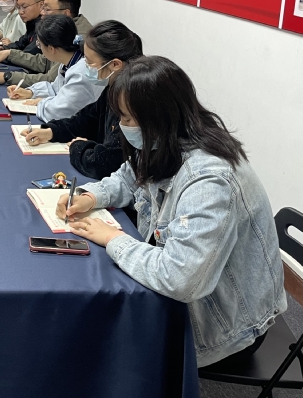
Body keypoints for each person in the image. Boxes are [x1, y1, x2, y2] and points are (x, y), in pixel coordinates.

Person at [56, 56, 286, 367]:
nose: (122, 127)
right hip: (196, 293)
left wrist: (113, 238)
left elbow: (181, 279)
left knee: (93, 338)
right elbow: (128, 177)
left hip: (223, 326)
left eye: (127, 119)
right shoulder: (166, 140)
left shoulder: (209, 180)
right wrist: (90, 196)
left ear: (158, 116)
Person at [22, 20, 143, 180]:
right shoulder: (113, 87)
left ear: (115, 64)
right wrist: (52, 131)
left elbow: (105, 164)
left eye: (89, 62)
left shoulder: (132, 101)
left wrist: (79, 146)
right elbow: (86, 119)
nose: (85, 67)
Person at [0, 0, 92, 85]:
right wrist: (10, 54)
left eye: (47, 9)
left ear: (65, 13)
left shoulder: (77, 38)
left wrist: (8, 76)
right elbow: (44, 62)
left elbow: (52, 80)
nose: (42, 13)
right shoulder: (65, 29)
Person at [7, 14, 103, 122]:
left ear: (51, 49)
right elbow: (55, 89)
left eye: (39, 44)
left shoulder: (81, 74)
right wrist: (31, 92)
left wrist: (41, 102)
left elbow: (58, 112)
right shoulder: (69, 61)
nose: (39, 48)